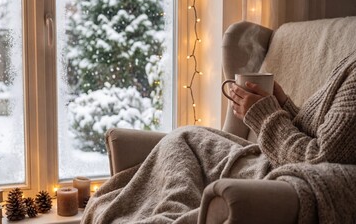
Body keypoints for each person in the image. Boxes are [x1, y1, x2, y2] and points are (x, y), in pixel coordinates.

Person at [81, 52, 356, 224]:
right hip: (268, 157)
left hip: (273, 173)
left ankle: (165, 213)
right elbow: (322, 135)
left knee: (185, 140)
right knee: (185, 138)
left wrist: (265, 116)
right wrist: (282, 105)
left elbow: (319, 159)